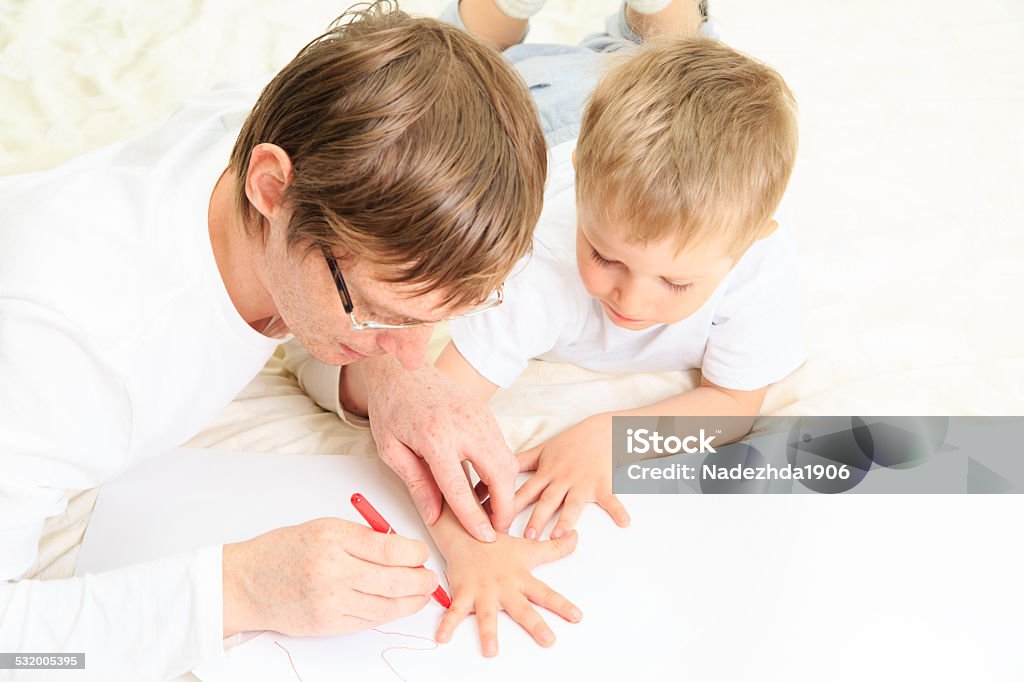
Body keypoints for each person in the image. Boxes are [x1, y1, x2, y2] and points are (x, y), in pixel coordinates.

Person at [0, 3, 549, 679]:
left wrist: (381, 376)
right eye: (378, 312)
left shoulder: (293, 132)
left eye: (426, 321)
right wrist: (235, 591)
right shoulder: (64, 354)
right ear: (271, 189)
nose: (415, 357)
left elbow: (298, 309)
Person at [294, 0, 803, 655]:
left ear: (752, 242)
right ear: (582, 200)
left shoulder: (757, 263)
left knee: (675, 56)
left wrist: (610, 443)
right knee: (446, 105)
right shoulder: (543, 262)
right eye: (606, 256)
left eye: (676, 284)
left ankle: (652, 24)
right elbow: (428, 417)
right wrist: (469, 547)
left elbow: (738, 400)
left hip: (619, 111)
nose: (632, 299)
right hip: (537, 116)